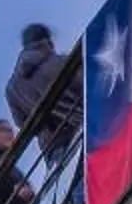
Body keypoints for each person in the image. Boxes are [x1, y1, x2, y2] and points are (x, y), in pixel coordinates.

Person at [5, 22, 81, 159]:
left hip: (53, 148)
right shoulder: (60, 62)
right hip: (84, 130)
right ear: (47, 40)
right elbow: (87, 85)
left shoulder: (12, 89)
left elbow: (21, 123)